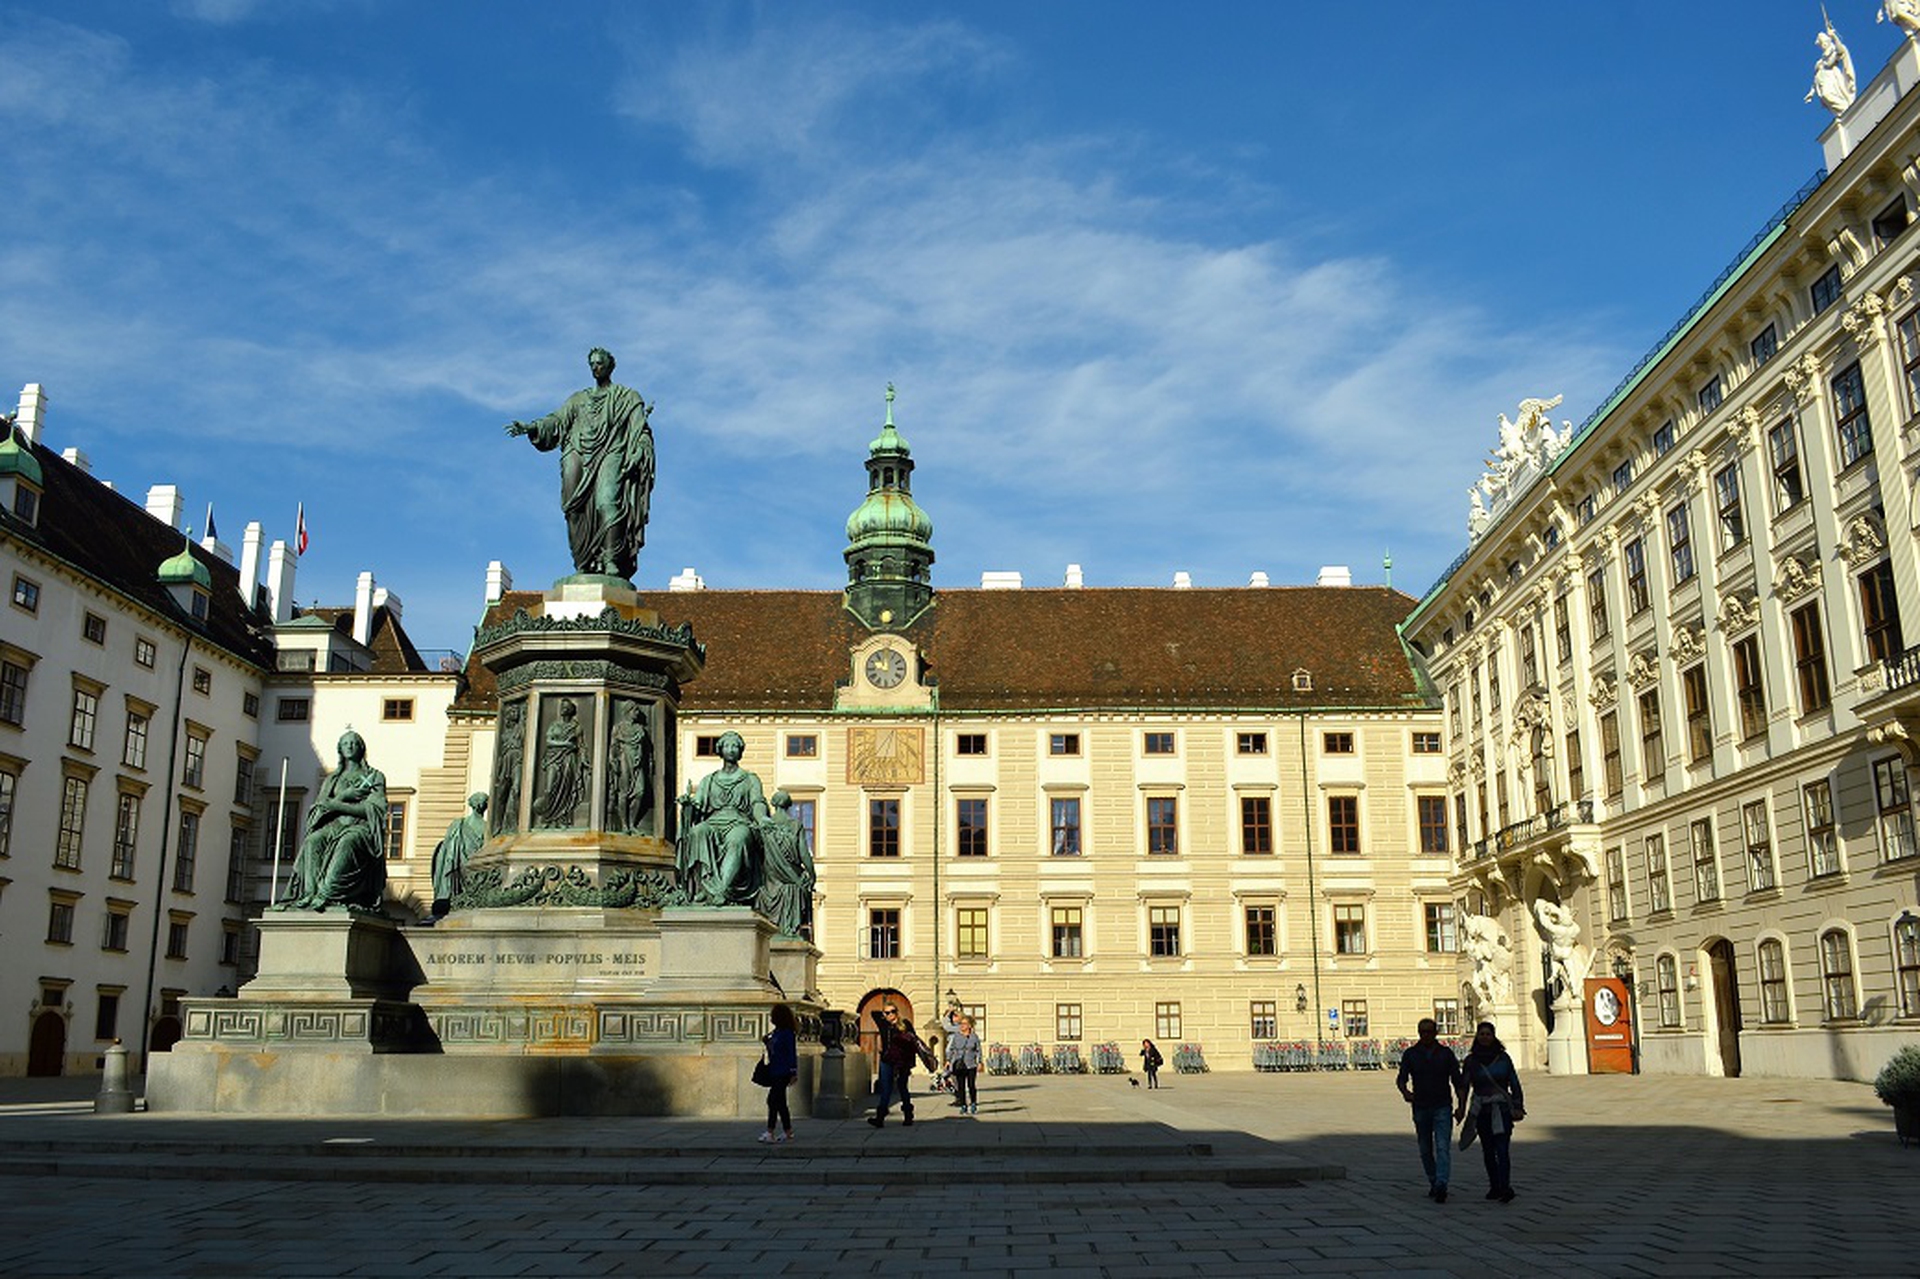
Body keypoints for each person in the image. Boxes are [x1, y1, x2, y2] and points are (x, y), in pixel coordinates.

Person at [505, 346, 656, 583]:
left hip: (612, 452)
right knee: (573, 508)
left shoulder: (628, 397)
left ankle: (611, 560)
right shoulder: (578, 399)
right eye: (592, 364)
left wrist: (639, 449)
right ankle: (583, 561)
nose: (595, 367)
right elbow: (557, 420)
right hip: (578, 452)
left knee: (608, 503)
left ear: (610, 365)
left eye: (600, 363)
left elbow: (641, 430)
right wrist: (532, 427)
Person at [278, 730, 388, 912]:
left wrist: (337, 805)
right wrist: (344, 796)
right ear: (340, 749)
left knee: (348, 843)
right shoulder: (332, 780)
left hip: (359, 828)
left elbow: (374, 810)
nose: (350, 746)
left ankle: (327, 894)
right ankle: (310, 893)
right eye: (346, 743)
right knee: (313, 841)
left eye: (354, 743)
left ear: (361, 748)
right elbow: (319, 809)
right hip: (333, 825)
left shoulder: (375, 776)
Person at [676, 731, 767, 906]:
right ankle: (705, 887)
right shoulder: (708, 781)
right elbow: (698, 806)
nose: (731, 749)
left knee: (738, 838)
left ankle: (722, 890)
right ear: (720, 750)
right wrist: (688, 804)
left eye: (735, 746)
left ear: (740, 751)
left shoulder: (750, 779)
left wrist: (762, 819)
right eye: (727, 745)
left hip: (739, 821)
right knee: (697, 831)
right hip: (713, 822)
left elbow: (757, 803)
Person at [1396, 1017, 1466, 1203]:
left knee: (1442, 1147)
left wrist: (1461, 1106)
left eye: (1429, 1031)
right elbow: (1401, 1078)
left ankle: (1442, 1183)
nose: (1425, 1035)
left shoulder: (1445, 1054)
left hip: (1442, 1105)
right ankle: (1434, 1181)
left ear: (1436, 1033)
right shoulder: (1411, 1054)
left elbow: (1457, 1081)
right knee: (1425, 1149)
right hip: (1420, 1106)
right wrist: (1405, 1092)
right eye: (1422, 1032)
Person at [1461, 1021, 1525, 1203]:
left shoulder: (1503, 1058)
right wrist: (1461, 1107)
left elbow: (1514, 1082)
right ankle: (1494, 1186)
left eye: (1488, 1034)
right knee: (1488, 1150)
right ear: (1477, 1037)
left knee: (1502, 1149)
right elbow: (1464, 1085)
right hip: (1482, 1111)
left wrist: (1518, 1105)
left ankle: (1505, 1186)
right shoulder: (1471, 1061)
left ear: (1493, 1036)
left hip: (1501, 1109)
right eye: (1482, 1034)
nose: (1485, 1037)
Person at [756, 790, 816, 937]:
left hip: (769, 877)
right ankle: (789, 931)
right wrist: (812, 874)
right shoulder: (795, 825)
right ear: (789, 805)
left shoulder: (764, 826)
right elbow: (804, 854)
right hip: (791, 877)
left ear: (774, 804)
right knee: (798, 888)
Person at [867, 1005, 935, 1128]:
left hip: (902, 1061)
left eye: (892, 1011)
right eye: (887, 1012)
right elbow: (874, 1013)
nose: (890, 1014)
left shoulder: (905, 1024)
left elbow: (914, 1042)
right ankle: (880, 1117)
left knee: (902, 1087)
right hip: (887, 1060)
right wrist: (885, 1017)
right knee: (886, 1088)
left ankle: (908, 1115)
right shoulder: (884, 1024)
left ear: (897, 1012)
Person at [429, 793, 488, 917]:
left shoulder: (487, 827)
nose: (480, 805)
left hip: (474, 865)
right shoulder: (459, 824)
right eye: (479, 802)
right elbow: (447, 849)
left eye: (483, 802)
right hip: (459, 864)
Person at [535, 698, 587, 829]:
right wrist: (565, 744)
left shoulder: (576, 727)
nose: (562, 709)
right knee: (549, 789)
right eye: (562, 707)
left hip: (568, 759)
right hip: (553, 758)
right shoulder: (555, 725)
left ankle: (563, 819)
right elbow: (549, 742)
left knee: (566, 789)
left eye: (565, 707)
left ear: (570, 710)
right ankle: (547, 817)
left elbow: (581, 745)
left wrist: (585, 760)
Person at [604, 700, 654, 834]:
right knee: (623, 793)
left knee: (640, 792)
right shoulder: (618, 728)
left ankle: (633, 824)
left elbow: (648, 750)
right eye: (635, 710)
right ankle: (624, 825)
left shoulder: (640, 730)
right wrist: (613, 762)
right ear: (627, 711)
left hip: (638, 763)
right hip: (624, 760)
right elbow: (613, 747)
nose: (637, 713)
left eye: (637, 710)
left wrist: (650, 763)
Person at [759, 1003, 799, 1144]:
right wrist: (767, 1043)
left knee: (773, 1101)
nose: (771, 1017)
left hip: (783, 1072)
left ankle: (770, 1132)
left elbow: (791, 1054)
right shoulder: (776, 1032)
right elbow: (773, 1053)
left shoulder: (787, 1033)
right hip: (775, 1070)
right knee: (780, 1103)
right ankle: (788, 1131)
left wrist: (793, 1072)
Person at [491, 700, 524, 835]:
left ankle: (516, 823)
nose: (514, 713)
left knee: (517, 789)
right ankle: (499, 824)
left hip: (518, 759)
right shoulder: (504, 732)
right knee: (501, 794)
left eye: (516, 711)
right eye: (511, 711)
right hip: (505, 761)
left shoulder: (522, 728)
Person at [944, 1010, 983, 1115]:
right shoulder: (956, 1036)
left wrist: (980, 1062)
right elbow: (951, 1049)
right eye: (961, 1023)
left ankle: (973, 1103)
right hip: (959, 1064)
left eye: (964, 1024)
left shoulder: (974, 1037)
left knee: (971, 1085)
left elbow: (978, 1050)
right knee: (961, 1086)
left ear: (969, 1025)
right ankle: (963, 1105)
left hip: (971, 1064)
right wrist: (948, 1060)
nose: (962, 1025)